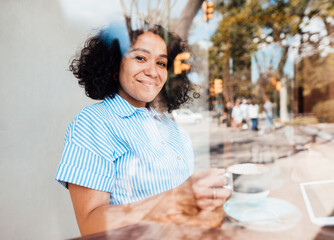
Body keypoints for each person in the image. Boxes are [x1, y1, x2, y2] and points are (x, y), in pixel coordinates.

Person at [55, 20, 230, 236]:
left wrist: (206, 198)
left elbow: (186, 205)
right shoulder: (94, 123)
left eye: (161, 63)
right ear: (114, 64)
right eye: (140, 58)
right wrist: (175, 200)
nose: (153, 72)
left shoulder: (171, 128)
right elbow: (90, 226)